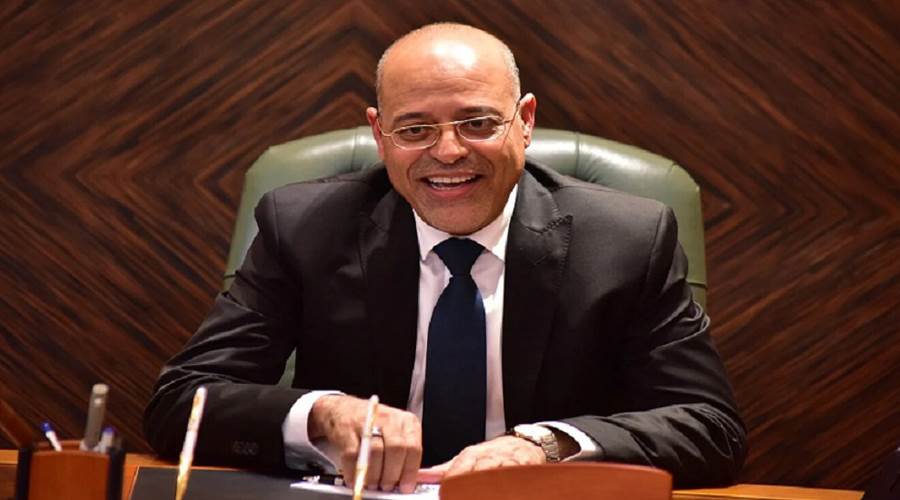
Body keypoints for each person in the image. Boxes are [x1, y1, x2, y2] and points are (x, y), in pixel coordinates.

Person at [144, 23, 746, 493]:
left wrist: (546, 445)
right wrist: (322, 413)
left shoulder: (626, 239)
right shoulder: (304, 227)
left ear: (525, 121)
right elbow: (181, 402)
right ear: (380, 135)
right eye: (415, 130)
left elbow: (710, 427)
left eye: (477, 122)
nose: (449, 152)